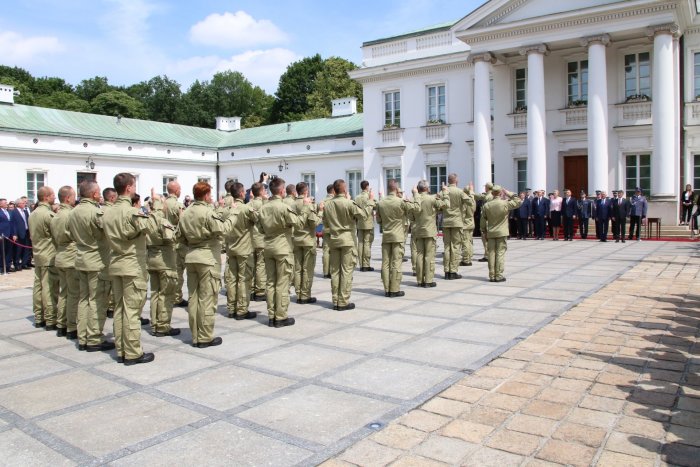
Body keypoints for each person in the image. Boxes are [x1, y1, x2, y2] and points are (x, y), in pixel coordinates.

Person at [102, 173, 155, 364]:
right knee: (132, 310)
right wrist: (154, 208)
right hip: (132, 265)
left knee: (119, 309)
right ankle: (133, 352)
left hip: (115, 263)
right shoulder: (131, 211)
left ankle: (122, 349)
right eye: (133, 185)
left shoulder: (107, 211)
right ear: (129, 188)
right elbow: (151, 226)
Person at [178, 181, 236, 346]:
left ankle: (195, 334)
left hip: (191, 257)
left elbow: (179, 237)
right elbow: (223, 229)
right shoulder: (207, 212)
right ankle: (205, 336)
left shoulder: (186, 212)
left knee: (193, 298)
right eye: (209, 194)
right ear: (204, 195)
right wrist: (233, 216)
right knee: (207, 298)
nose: (211, 197)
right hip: (207, 258)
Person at [68, 181, 115, 353]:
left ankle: (83, 337)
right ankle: (94, 338)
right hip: (97, 261)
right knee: (97, 301)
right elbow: (108, 232)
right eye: (98, 193)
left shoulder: (73, 212)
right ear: (94, 194)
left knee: (83, 299)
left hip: (81, 259)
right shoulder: (96, 212)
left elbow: (70, 234)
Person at [258, 177, 311, 327]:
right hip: (282, 248)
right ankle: (280, 316)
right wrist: (306, 207)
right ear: (282, 191)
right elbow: (299, 223)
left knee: (270, 282)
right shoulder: (283, 207)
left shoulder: (263, 208)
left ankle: (271, 315)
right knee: (282, 282)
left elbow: (260, 229)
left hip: (268, 247)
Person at [322, 179, 373, 310]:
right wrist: (370, 201)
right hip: (347, 240)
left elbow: (325, 223)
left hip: (334, 239)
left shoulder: (328, 204)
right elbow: (364, 215)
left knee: (335, 272)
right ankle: (343, 301)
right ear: (344, 190)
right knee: (346, 270)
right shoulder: (349, 203)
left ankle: (335, 300)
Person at [145, 192, 180, 336]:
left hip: (151, 258)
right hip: (165, 260)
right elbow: (171, 238)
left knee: (154, 293)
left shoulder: (146, 219)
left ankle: (155, 323)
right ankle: (163, 325)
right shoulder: (162, 221)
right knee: (166, 293)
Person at [223, 182, 258, 320]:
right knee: (244, 279)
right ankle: (242, 309)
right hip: (244, 249)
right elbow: (257, 219)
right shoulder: (245, 209)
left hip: (231, 248)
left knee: (231, 279)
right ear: (242, 193)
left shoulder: (227, 210)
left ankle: (231, 308)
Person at [376, 179, 417, 297]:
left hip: (386, 235)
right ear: (396, 189)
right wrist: (415, 194)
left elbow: (378, 220)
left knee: (385, 263)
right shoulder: (401, 201)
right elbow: (416, 209)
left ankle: (387, 288)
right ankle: (394, 289)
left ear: (388, 189)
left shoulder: (381, 202)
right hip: (398, 235)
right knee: (396, 262)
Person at [28, 186, 58, 329]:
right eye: (52, 195)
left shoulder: (33, 214)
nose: (54, 197)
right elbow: (56, 235)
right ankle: (50, 318)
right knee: (48, 288)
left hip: (38, 254)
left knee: (38, 287)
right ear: (46, 197)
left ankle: (39, 316)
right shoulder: (48, 215)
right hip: (48, 255)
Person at [52, 186, 79, 338]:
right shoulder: (70, 214)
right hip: (70, 256)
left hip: (60, 255)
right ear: (68, 198)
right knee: (74, 293)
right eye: (73, 196)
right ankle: (71, 326)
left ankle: (61, 323)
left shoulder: (56, 215)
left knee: (63, 292)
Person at [412, 180, 449, 287]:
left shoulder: (414, 199)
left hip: (418, 230)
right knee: (429, 256)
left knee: (419, 255)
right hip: (430, 231)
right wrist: (445, 192)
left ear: (418, 189)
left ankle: (420, 280)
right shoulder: (432, 199)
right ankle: (428, 280)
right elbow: (446, 205)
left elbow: (410, 216)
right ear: (427, 189)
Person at [481, 186, 521, 282]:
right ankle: (498, 275)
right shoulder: (505, 203)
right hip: (501, 232)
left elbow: (482, 221)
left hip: (490, 232)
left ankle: (491, 275)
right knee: (500, 253)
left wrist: (484, 232)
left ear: (492, 193)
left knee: (491, 253)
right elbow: (518, 201)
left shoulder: (486, 205)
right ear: (500, 193)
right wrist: (508, 193)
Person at [293, 181, 321, 304]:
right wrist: (320, 212)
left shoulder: (292, 204)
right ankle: (305, 295)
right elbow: (314, 222)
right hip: (308, 239)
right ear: (305, 191)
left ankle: (298, 293)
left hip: (296, 239)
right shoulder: (309, 204)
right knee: (307, 269)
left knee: (298, 269)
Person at [164, 181, 188, 308]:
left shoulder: (163, 204)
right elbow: (183, 223)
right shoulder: (178, 205)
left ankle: (170, 293)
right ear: (176, 190)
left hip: (164, 240)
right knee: (178, 271)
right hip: (177, 241)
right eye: (179, 189)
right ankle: (176, 296)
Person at [442, 174, 470, 279]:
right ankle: (453, 271)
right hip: (457, 222)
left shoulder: (443, 191)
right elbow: (470, 202)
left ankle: (446, 271)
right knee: (455, 246)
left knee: (447, 247)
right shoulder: (459, 191)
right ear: (456, 180)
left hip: (446, 222)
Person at [248, 182, 268, 302]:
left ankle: (250, 289)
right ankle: (259, 291)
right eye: (264, 190)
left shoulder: (248, 204)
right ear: (260, 192)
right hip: (261, 238)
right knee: (261, 265)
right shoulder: (263, 204)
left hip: (250, 238)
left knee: (251, 265)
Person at [101, 187, 118, 320]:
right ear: (112, 198)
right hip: (110, 250)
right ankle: (111, 306)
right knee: (111, 282)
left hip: (100, 251)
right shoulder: (112, 212)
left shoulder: (99, 211)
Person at [355, 181, 376, 272]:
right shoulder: (369, 196)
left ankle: (361, 264)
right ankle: (366, 264)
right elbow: (375, 206)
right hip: (368, 223)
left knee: (360, 243)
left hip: (359, 222)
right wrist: (372, 197)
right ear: (367, 187)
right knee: (367, 243)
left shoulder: (357, 197)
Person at [473, 182, 494, 262]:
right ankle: (489, 254)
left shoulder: (488, 197)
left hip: (486, 220)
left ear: (487, 188)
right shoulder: (492, 195)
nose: (484, 188)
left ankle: (487, 255)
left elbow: (485, 210)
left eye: (485, 187)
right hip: (491, 220)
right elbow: (480, 196)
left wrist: (471, 191)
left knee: (485, 239)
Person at [10, 197, 31, 270]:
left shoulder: (24, 211)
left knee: (26, 249)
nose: (24, 204)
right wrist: (14, 234)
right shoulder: (14, 212)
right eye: (23, 203)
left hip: (26, 232)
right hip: (18, 233)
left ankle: (24, 264)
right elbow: (13, 224)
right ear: (18, 204)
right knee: (18, 250)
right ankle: (16, 264)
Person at [460, 183, 477, 265]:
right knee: (469, 241)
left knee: (465, 242)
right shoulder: (473, 200)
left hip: (465, 223)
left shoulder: (465, 202)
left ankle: (466, 260)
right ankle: (469, 257)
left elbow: (462, 213)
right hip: (471, 222)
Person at [321, 184, 335, 278]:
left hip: (325, 228)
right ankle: (332, 270)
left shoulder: (322, 201)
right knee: (334, 251)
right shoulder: (334, 201)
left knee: (326, 250)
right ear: (333, 191)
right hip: (334, 228)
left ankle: (326, 272)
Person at [0, 198, 15, 273]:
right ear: (0, 204)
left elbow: (11, 223)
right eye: (5, 202)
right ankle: (1, 267)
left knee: (9, 251)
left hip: (9, 235)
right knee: (2, 252)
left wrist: (14, 234)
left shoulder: (8, 212)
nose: (6, 203)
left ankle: (7, 266)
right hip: (2, 235)